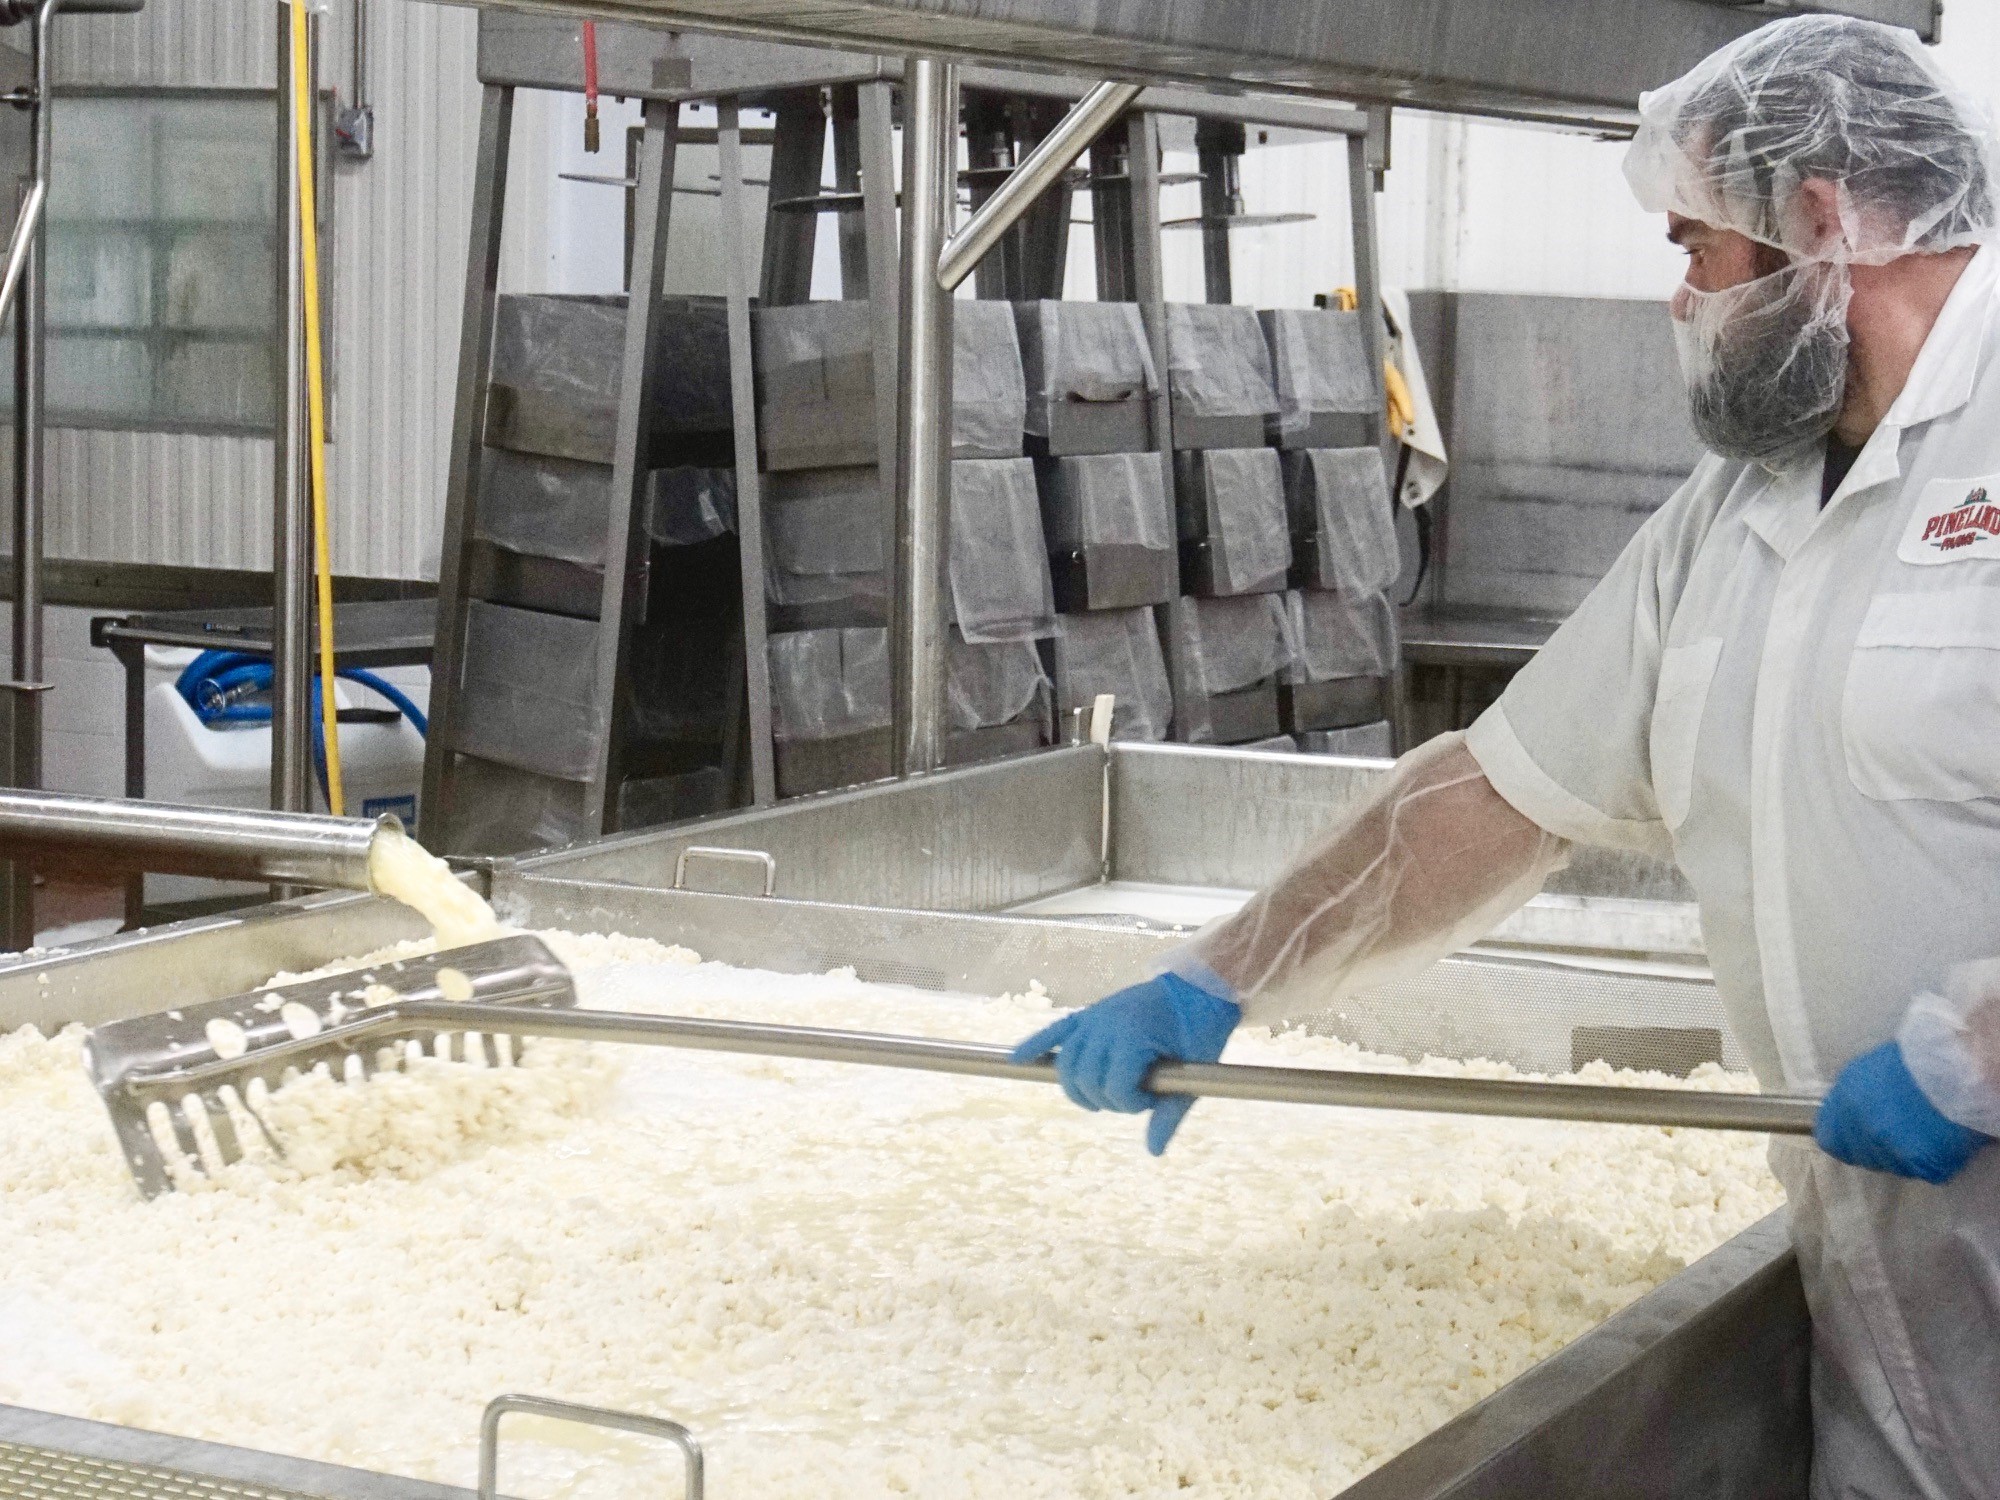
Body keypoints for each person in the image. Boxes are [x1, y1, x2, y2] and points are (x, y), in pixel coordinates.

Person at [1012, 16, 2000, 1498]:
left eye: (1697, 250)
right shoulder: (1737, 511)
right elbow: (1503, 788)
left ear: (1819, 218)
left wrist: (1981, 1050)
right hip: (1889, 1326)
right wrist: (1226, 972)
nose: (1682, 300)